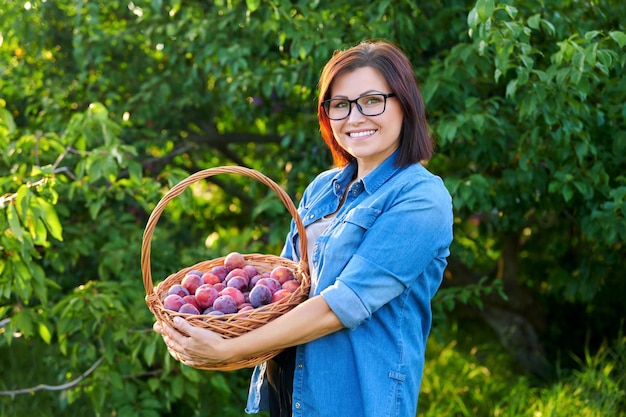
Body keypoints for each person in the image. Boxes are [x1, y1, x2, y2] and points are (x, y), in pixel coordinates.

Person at [154, 40, 454, 417]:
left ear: (404, 103)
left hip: (354, 400)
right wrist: (202, 327)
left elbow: (342, 306)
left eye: (372, 100)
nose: (354, 117)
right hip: (289, 391)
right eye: (340, 105)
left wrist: (230, 350)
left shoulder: (421, 198)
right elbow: (282, 291)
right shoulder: (322, 189)